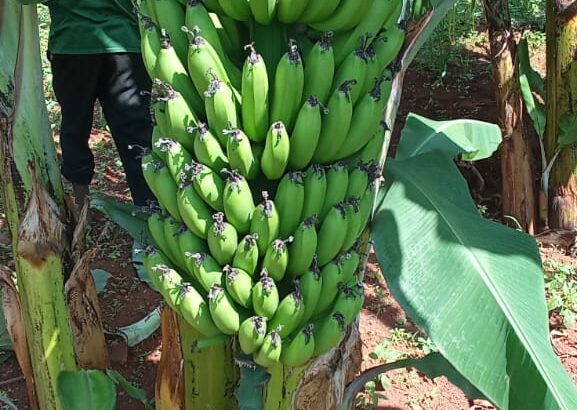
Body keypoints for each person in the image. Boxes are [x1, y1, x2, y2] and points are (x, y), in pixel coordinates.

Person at [16, 0, 154, 210]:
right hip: (124, 45)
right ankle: (150, 210)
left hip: (72, 46)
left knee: (75, 126)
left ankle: (82, 204)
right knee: (136, 132)